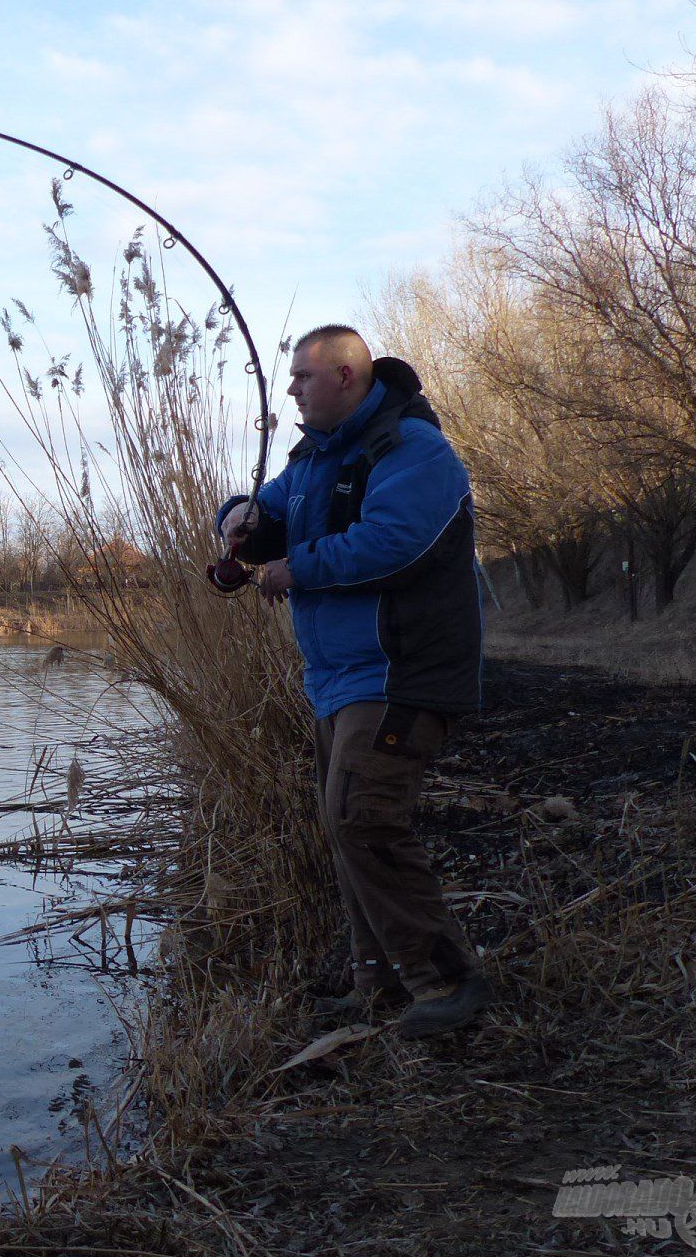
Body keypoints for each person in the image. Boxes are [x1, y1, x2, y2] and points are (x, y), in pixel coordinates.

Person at [215, 324, 492, 1038]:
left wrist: (296, 568)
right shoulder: (313, 457)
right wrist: (240, 518)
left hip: (401, 674)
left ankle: (446, 983)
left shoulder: (413, 451)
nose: (292, 390)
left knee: (364, 819)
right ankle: (378, 982)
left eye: (303, 377)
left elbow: (392, 542)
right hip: (337, 680)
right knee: (346, 824)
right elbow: (270, 513)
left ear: (344, 376)